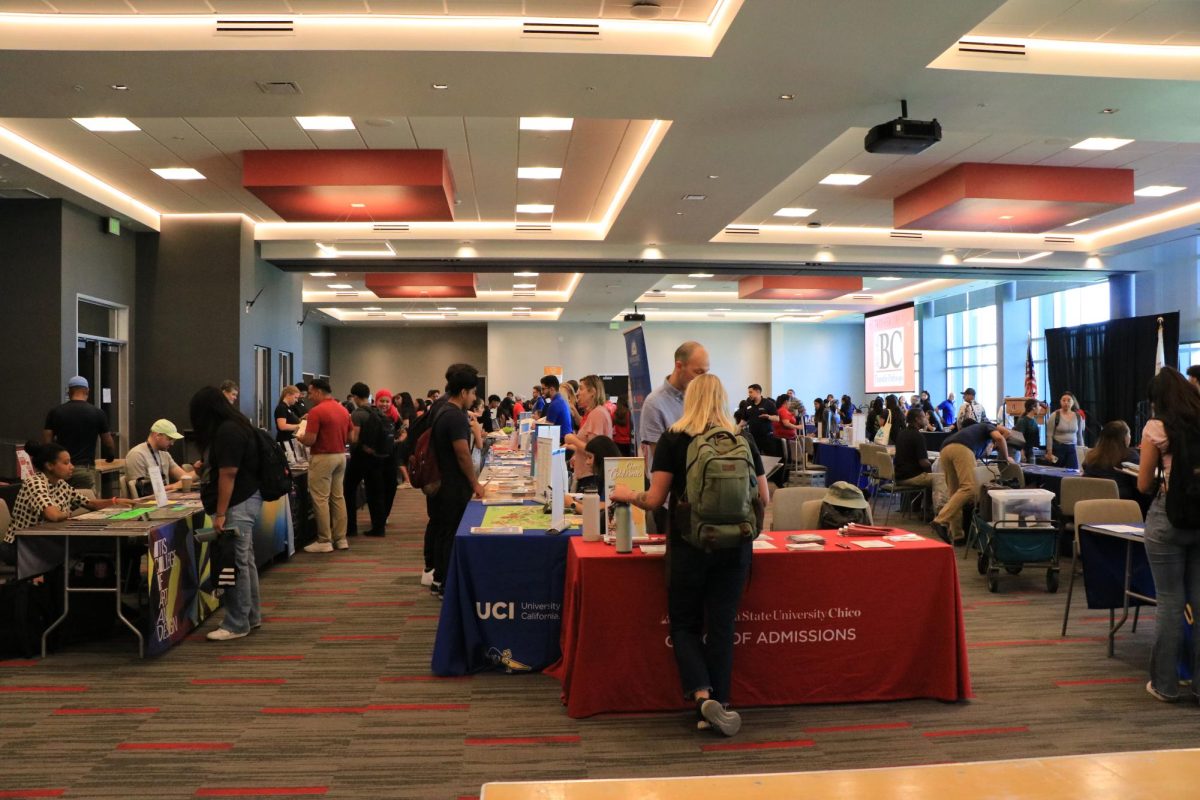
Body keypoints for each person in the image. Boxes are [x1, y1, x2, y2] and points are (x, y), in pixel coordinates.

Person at [610, 374, 769, 738]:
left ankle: (701, 696)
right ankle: (722, 703)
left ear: (690, 399)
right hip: (735, 548)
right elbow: (764, 498)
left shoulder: (674, 438)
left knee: (684, 625)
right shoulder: (741, 438)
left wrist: (624, 493)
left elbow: (654, 499)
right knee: (722, 627)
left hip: (689, 546)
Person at [1136, 367, 1200, 703]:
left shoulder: (1157, 427)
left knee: (1171, 603)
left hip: (1168, 518)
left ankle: (1165, 684)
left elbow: (1144, 483)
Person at [189, 386, 264, 641]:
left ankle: (236, 623)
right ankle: (249, 616)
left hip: (238, 503)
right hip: (247, 499)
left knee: (236, 562)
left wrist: (220, 514)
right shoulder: (238, 424)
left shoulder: (227, 431)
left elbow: (228, 474)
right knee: (245, 560)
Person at [2, 440, 136, 566]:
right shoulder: (35, 483)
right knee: (81, 551)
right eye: (66, 463)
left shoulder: (60, 483)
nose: (71, 467)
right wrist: (68, 514)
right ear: (49, 465)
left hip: (47, 541)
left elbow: (89, 503)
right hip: (21, 546)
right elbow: (53, 515)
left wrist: (115, 501)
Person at [429, 363, 487, 598]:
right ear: (463, 392)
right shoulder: (455, 417)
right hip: (453, 485)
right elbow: (463, 454)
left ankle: (439, 580)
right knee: (452, 532)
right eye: (473, 393)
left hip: (444, 482)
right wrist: (474, 483)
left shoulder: (443, 410)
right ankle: (445, 584)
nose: (474, 398)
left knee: (445, 531)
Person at [930, 419, 1020, 544]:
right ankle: (940, 520)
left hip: (945, 449)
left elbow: (978, 453)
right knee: (969, 488)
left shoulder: (975, 434)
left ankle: (957, 536)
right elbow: (1001, 437)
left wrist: (992, 445)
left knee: (955, 493)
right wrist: (1006, 457)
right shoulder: (988, 426)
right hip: (961, 448)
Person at [296, 378, 351, 553]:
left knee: (320, 499)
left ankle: (324, 540)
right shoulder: (343, 409)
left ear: (319, 392)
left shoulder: (316, 412)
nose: (309, 396)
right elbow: (351, 437)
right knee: (338, 497)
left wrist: (300, 437)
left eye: (311, 393)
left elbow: (310, 439)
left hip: (322, 457)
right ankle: (341, 539)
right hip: (341, 456)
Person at [640, 341, 710, 463]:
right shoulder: (654, 404)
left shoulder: (704, 399)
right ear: (679, 366)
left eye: (706, 373)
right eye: (698, 372)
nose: (703, 380)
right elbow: (661, 460)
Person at [42, 375, 114, 490]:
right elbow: (108, 441)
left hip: (61, 469)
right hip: (85, 469)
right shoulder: (97, 413)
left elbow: (47, 442)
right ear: (87, 391)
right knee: (87, 504)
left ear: (69, 392)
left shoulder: (55, 412)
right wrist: (110, 455)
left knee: (62, 503)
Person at [344, 381, 388, 538]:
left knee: (348, 489)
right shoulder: (378, 412)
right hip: (378, 456)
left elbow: (354, 438)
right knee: (376, 492)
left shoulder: (358, 414)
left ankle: (351, 527)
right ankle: (379, 527)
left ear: (355, 397)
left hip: (361, 457)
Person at [564, 375, 614, 493]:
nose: (577, 393)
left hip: (591, 477)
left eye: (581, 389)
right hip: (587, 475)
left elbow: (593, 450)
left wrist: (572, 439)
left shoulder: (597, 414)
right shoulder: (595, 413)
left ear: (592, 392)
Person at [1083, 420, 1141, 505]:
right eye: (1129, 434)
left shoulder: (1091, 456)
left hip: (1090, 505)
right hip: (1120, 507)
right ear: (1124, 438)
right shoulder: (1130, 456)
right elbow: (1139, 485)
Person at [124, 419, 190, 493]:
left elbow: (185, 477)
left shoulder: (165, 454)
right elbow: (139, 491)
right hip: (148, 502)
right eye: (170, 439)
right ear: (158, 435)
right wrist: (172, 487)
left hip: (165, 499)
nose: (172, 444)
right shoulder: (136, 454)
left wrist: (199, 471)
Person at [894, 409, 935, 500]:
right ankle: (941, 509)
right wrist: (933, 469)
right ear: (917, 419)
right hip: (912, 477)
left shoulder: (901, 433)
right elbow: (923, 462)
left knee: (933, 477)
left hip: (899, 476)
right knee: (942, 478)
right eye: (924, 417)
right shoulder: (918, 436)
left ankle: (926, 507)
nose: (926, 419)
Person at [374, 389, 401, 523]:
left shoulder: (395, 416)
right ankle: (379, 516)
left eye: (387, 401)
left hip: (391, 455)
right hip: (375, 457)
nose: (384, 404)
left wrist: (396, 440)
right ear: (376, 401)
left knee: (391, 485)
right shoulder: (372, 416)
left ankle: (385, 515)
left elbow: (403, 432)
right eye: (381, 401)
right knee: (377, 487)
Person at [1046, 392, 1086, 469]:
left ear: (1073, 402)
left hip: (1073, 448)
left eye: (1068, 400)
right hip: (1058, 448)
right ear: (1060, 402)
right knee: (1056, 471)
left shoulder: (1078, 416)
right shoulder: (1055, 415)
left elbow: (1080, 435)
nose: (1066, 402)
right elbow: (1049, 435)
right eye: (1063, 400)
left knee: (1073, 471)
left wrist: (1082, 450)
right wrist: (1049, 452)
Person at [539, 375, 575, 441]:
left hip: (562, 441)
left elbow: (548, 430)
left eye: (543, 389)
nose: (542, 392)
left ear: (552, 389)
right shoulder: (560, 400)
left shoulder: (554, 404)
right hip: (565, 439)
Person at [1010, 398, 1041, 463]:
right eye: (1039, 406)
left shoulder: (1034, 420)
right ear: (1033, 408)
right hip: (1024, 452)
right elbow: (1018, 439)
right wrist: (1022, 454)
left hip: (1031, 451)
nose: (1040, 408)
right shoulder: (1023, 421)